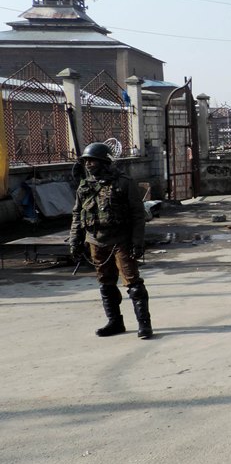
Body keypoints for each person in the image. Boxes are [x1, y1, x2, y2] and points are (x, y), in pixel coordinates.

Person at [69, 142, 153, 339]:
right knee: (106, 284)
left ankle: (144, 324)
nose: (88, 165)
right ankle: (115, 322)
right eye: (86, 161)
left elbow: (137, 215)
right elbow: (77, 214)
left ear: (104, 162)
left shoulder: (124, 183)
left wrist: (137, 242)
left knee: (133, 284)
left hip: (121, 240)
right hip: (95, 241)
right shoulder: (84, 185)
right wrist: (75, 240)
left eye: (92, 161)